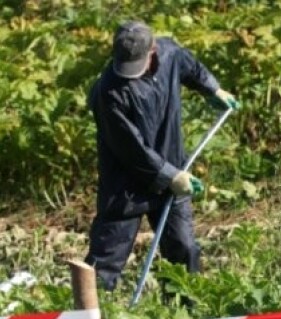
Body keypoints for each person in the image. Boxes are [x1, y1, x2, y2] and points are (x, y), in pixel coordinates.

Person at [85, 20, 239, 292]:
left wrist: (212, 89)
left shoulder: (169, 53)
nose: (128, 73)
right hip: (126, 186)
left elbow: (190, 66)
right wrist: (170, 175)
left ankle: (184, 314)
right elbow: (132, 150)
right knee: (105, 262)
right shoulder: (108, 92)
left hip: (171, 174)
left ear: (152, 51)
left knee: (183, 249)